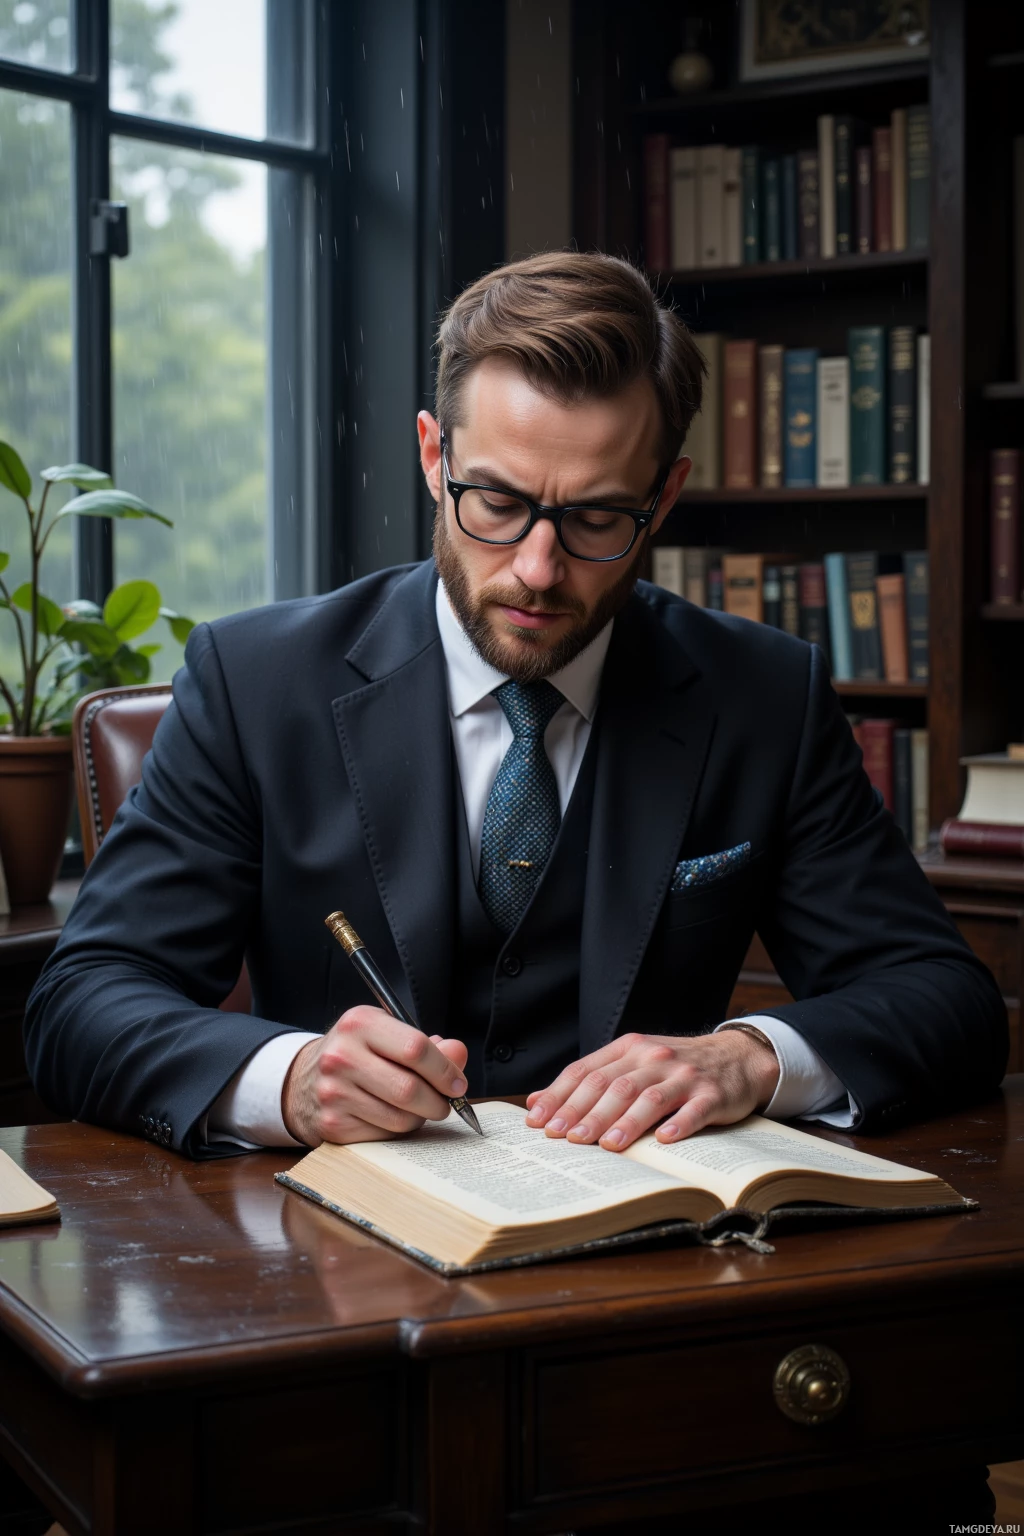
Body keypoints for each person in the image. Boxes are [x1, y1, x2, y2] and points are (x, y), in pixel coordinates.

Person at [25, 251, 1007, 1160]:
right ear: (430, 456)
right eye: (493, 502)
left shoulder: (763, 696)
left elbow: (950, 1003)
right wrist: (289, 1081)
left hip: (649, 1260)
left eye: (593, 517)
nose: (536, 571)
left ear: (662, 501)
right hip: (328, 1264)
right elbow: (81, 1006)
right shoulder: (253, 681)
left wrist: (750, 1054)